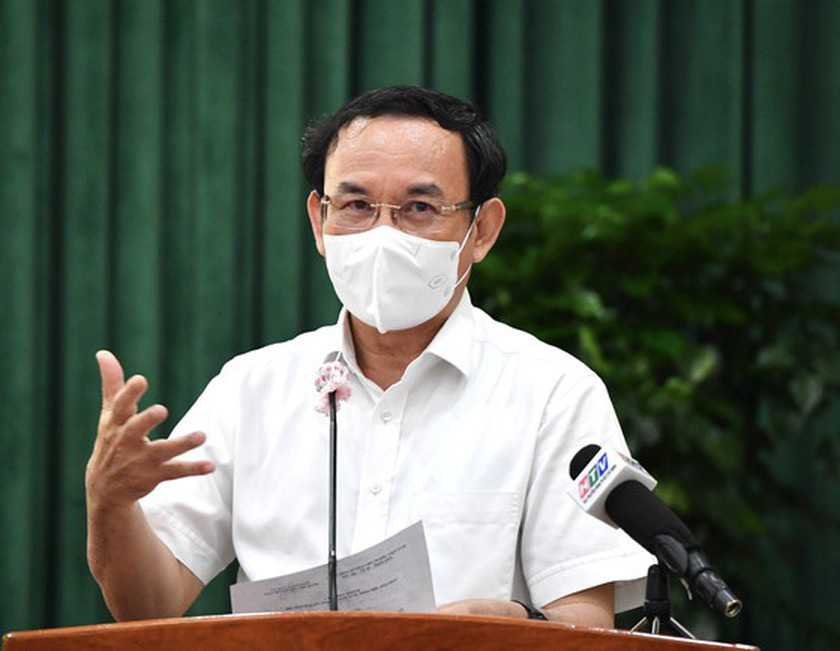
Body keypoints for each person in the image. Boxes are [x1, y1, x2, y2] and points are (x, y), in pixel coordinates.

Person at [86, 85, 652, 626]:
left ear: (482, 230)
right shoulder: (251, 389)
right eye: (356, 204)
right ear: (319, 221)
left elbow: (587, 626)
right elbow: (149, 603)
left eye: (419, 208)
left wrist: (519, 626)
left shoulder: (553, 392)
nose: (383, 234)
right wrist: (110, 504)